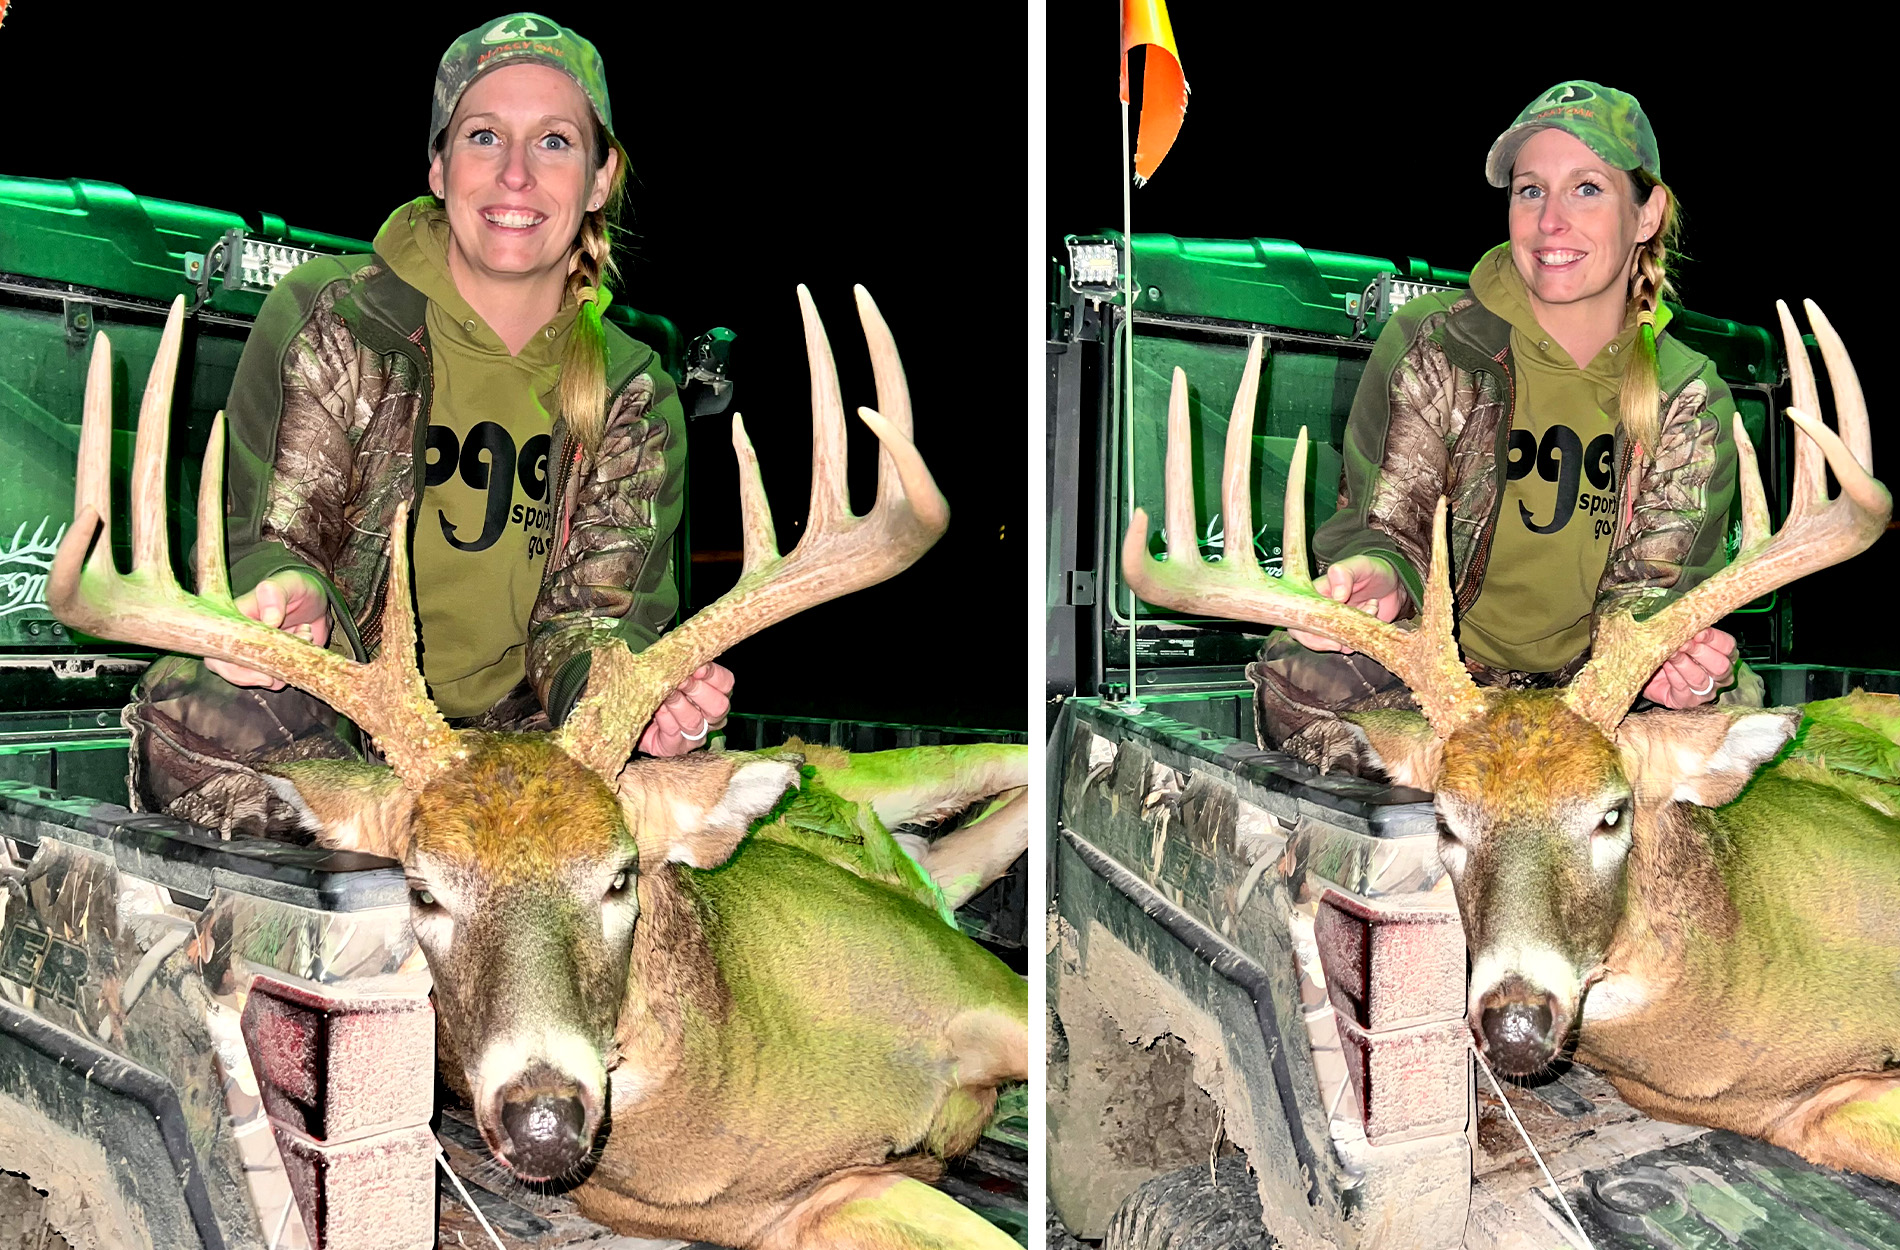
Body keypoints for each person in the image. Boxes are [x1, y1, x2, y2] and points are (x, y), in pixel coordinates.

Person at [128, 13, 733, 836]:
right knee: (208, 704)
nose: (516, 175)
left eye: (555, 142)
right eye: (485, 137)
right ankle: (354, 923)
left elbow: (594, 616)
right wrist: (288, 597)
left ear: (600, 178)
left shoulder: (629, 388)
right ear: (440, 168)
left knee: (680, 770)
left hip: (517, 751)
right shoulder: (331, 318)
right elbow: (279, 534)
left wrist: (634, 698)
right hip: (338, 719)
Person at [1254, 80, 1744, 757]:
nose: (1551, 222)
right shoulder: (1437, 343)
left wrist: (1670, 662)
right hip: (1441, 684)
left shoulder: (1686, 394)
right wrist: (1378, 576)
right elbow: (1391, 525)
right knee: (1300, 676)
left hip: (1593, 693)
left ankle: (1478, 792)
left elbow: (1655, 590)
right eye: (1530, 190)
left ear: (1649, 213)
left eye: (1588, 189)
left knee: (1724, 708)